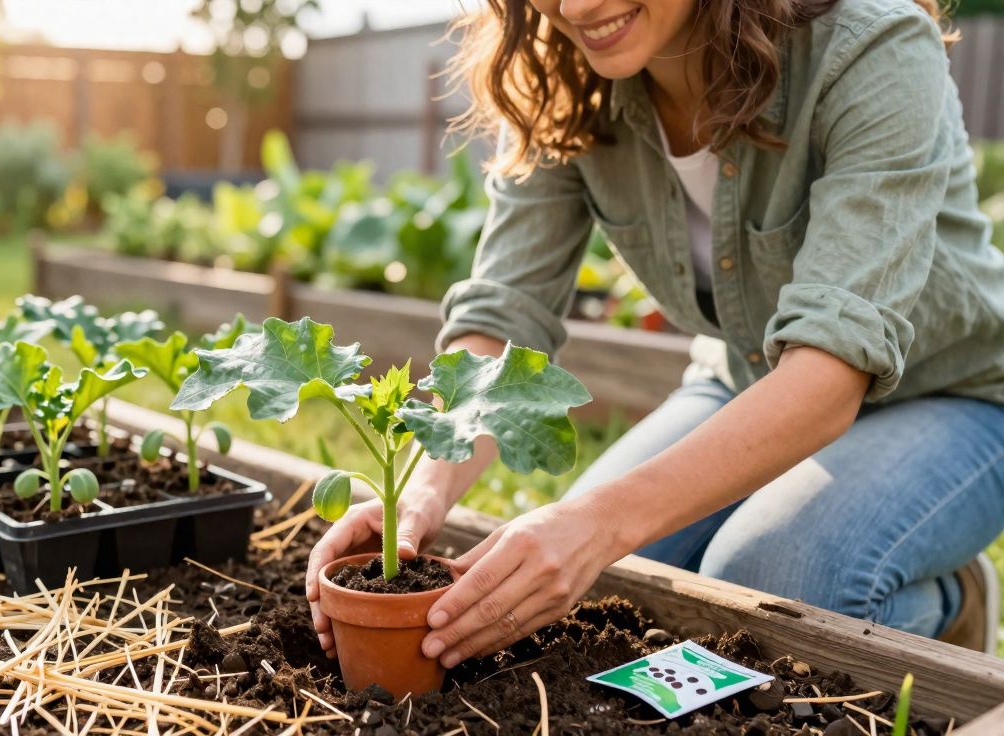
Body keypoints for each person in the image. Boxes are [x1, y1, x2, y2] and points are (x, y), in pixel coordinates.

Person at [305, 0, 1004, 666]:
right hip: (747, 379)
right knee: (606, 591)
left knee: (770, 575)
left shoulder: (869, 46)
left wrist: (600, 522)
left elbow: (828, 375)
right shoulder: (564, 82)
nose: (576, 9)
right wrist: (422, 491)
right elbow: (504, 316)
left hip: (957, 396)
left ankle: (950, 602)